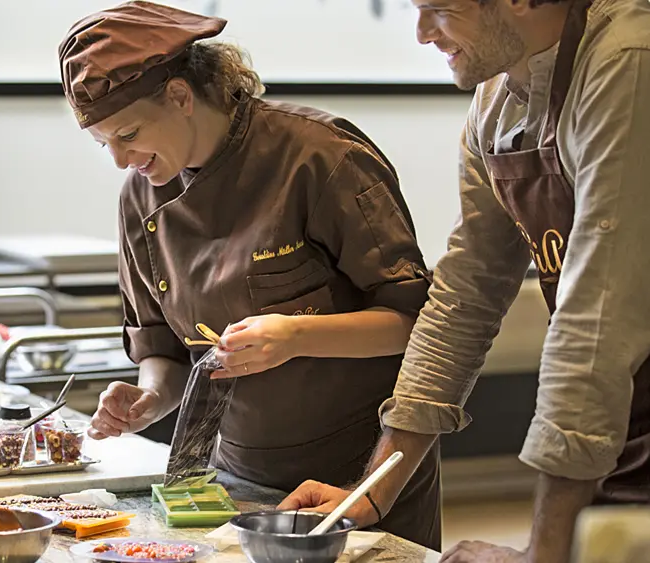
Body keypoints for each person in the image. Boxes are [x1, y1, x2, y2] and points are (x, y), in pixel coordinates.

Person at [58, 0, 441, 549]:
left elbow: (418, 323)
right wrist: (149, 398)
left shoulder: (320, 156)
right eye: (104, 145)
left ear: (180, 96)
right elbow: (165, 349)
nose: (120, 160)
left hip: (361, 475)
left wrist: (296, 335)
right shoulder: (141, 197)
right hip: (232, 479)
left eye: (130, 133)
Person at [279, 0, 650, 561]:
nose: (423, 34)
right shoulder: (496, 99)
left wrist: (541, 554)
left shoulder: (628, 62)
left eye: (439, 9)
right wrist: (371, 494)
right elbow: (465, 293)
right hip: (620, 422)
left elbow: (598, 314)